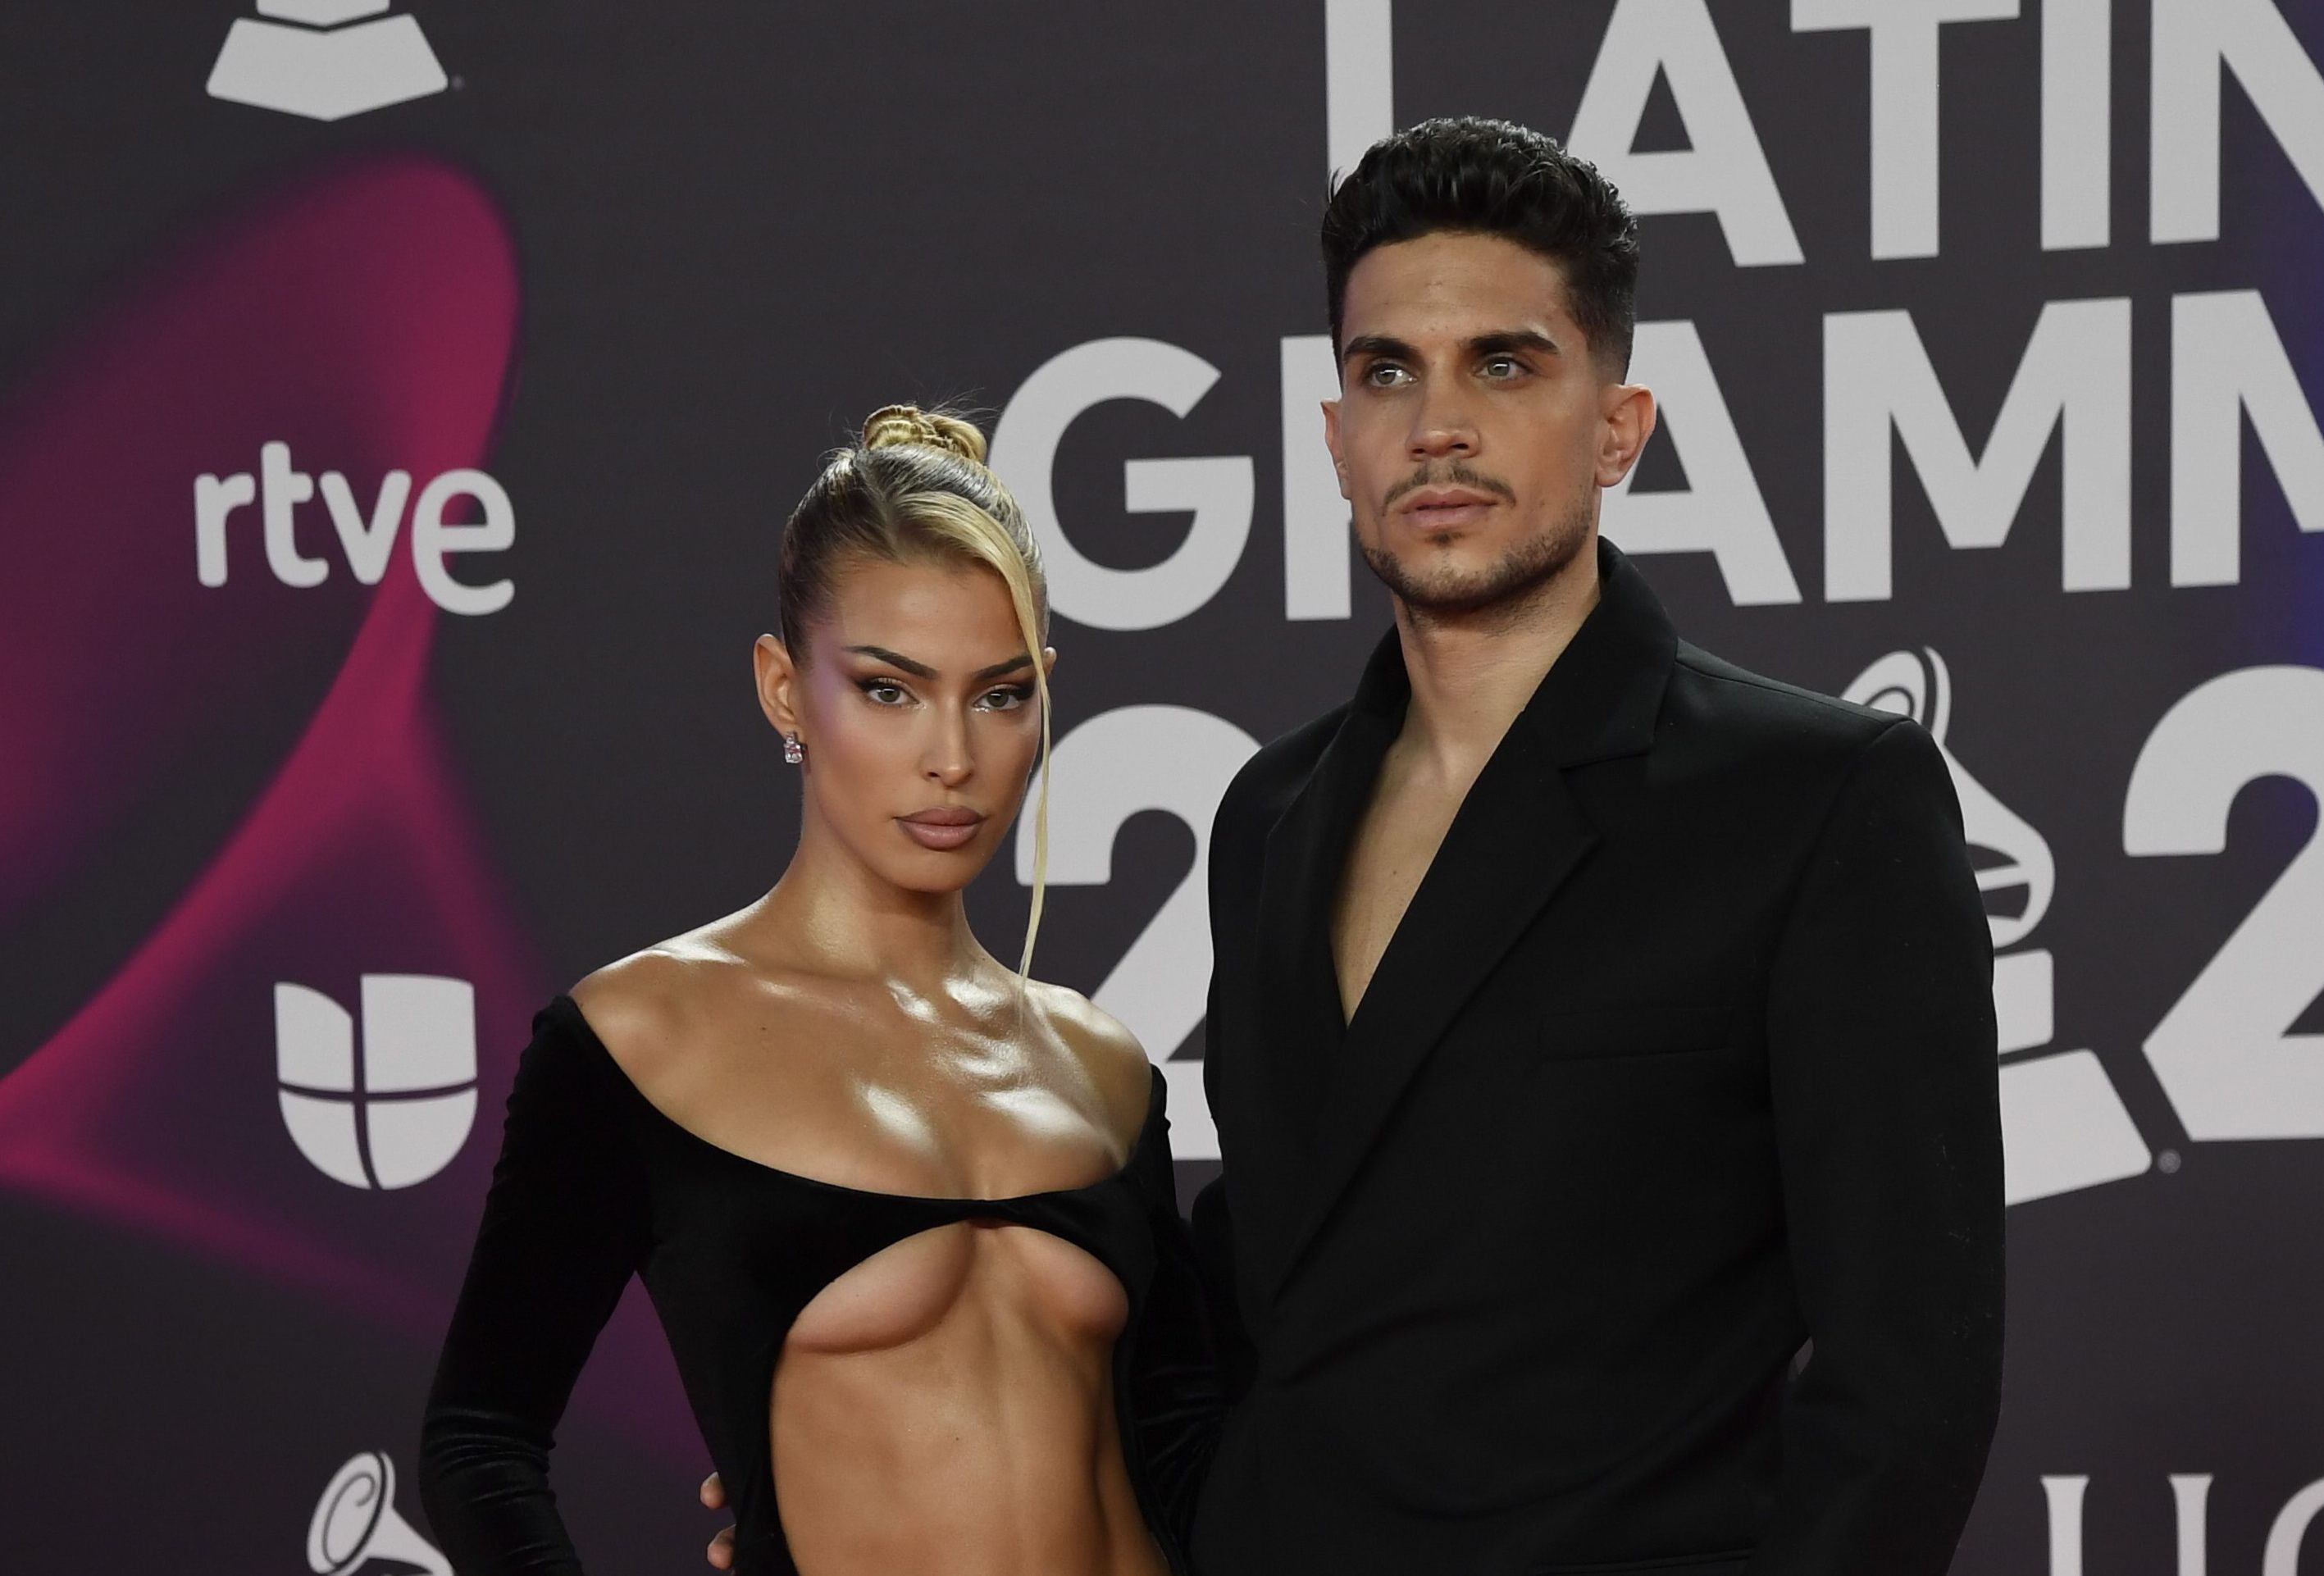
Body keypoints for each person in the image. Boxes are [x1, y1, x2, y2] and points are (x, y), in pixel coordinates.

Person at [1179, 118, 2004, 1574]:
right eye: (1388, 372)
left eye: (1503, 363)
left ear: (1618, 425)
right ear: (1334, 438)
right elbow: (1255, 1290)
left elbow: (1908, 1385)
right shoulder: (1266, 816)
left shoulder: (1816, 800)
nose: (1437, 424)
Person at [418, 406, 1218, 1576]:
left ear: (1043, 693)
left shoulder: (1100, 1064)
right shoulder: (639, 1040)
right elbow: (479, 1441)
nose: (952, 754)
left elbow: (1186, 1451)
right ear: (785, 689)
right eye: (890, 690)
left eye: (997, 694)